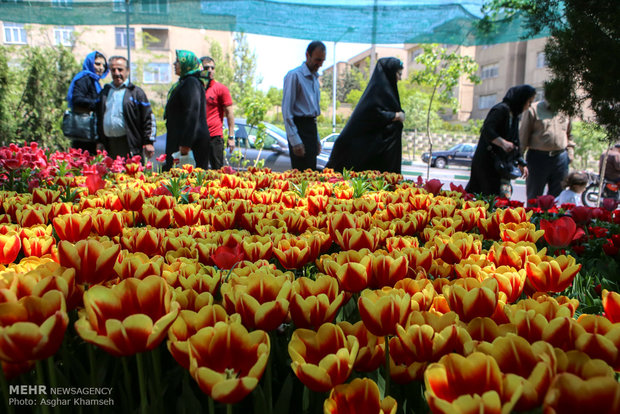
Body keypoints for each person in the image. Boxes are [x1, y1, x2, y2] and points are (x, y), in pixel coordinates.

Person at [326, 57, 405, 173]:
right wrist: (395, 116)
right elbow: (372, 115)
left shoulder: (388, 95)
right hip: (371, 157)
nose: (400, 78)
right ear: (390, 74)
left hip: (384, 157)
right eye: (398, 74)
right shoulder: (376, 94)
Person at [466, 84, 536, 198]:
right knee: (484, 197)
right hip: (487, 164)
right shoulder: (501, 110)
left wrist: (521, 162)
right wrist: (502, 143)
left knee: (500, 199)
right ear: (521, 99)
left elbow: (515, 141)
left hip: (502, 166)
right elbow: (487, 130)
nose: (529, 106)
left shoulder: (514, 116)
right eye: (529, 102)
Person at [95, 56, 156, 161]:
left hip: (130, 145)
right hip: (109, 145)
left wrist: (148, 142)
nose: (117, 73)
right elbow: (97, 118)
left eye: (120, 69)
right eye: (113, 70)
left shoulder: (136, 93)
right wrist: (99, 141)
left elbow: (148, 118)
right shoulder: (104, 93)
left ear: (127, 71)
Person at [519, 93, 574, 204]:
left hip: (560, 158)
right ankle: (533, 221)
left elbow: (569, 134)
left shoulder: (566, 111)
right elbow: (523, 136)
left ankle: (551, 221)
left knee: (557, 198)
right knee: (534, 197)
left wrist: (570, 153)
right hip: (538, 159)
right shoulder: (533, 109)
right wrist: (520, 159)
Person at [282, 40, 326, 170]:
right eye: (317, 60)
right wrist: (295, 141)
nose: (320, 64)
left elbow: (313, 114)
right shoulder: (294, 76)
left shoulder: (315, 79)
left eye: (322, 61)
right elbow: (287, 111)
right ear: (308, 55)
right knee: (300, 177)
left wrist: (316, 139)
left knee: (311, 173)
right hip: (299, 128)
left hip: (311, 129)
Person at [164, 50, 210, 171]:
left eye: (178, 61)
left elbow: (192, 112)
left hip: (189, 145)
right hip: (181, 141)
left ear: (187, 64)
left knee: (188, 183)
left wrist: (186, 144)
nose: (174, 64)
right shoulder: (186, 82)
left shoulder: (191, 83)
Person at [66, 51, 108, 154]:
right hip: (84, 130)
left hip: (91, 130)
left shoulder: (94, 81)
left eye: (103, 65)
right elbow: (77, 99)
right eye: (97, 64)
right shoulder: (84, 79)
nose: (101, 68)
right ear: (89, 63)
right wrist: (98, 104)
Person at [200, 56, 235, 169]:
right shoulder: (195, 87)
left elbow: (229, 113)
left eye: (212, 68)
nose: (210, 70)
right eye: (206, 67)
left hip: (215, 137)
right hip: (198, 137)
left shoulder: (221, 89)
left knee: (217, 172)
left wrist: (231, 136)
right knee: (198, 172)